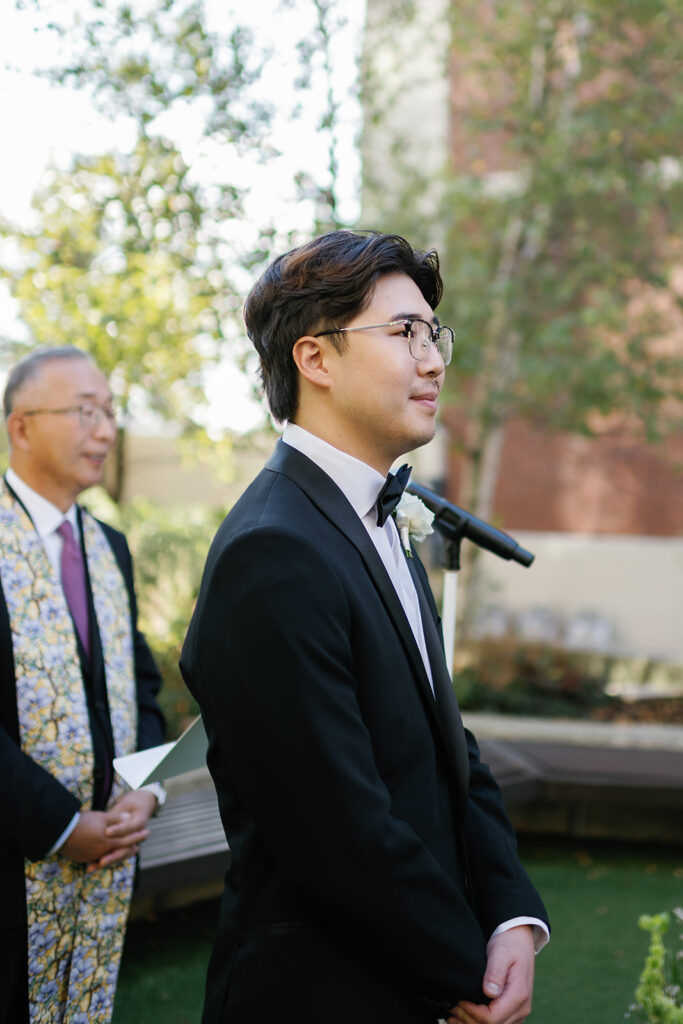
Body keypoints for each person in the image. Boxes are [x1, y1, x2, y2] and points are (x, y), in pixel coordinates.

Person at [180, 230, 549, 1024]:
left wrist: (511, 917)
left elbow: (452, 751)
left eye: (432, 334)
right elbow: (334, 829)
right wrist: (464, 969)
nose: (433, 360)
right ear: (314, 359)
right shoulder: (271, 550)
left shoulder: (377, 519)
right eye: (403, 333)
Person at [0, 347, 166, 1024]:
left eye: (110, 412)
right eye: (84, 411)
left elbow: (141, 687)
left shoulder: (108, 547)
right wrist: (63, 824)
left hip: (105, 867)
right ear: (22, 427)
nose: (105, 430)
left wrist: (144, 788)